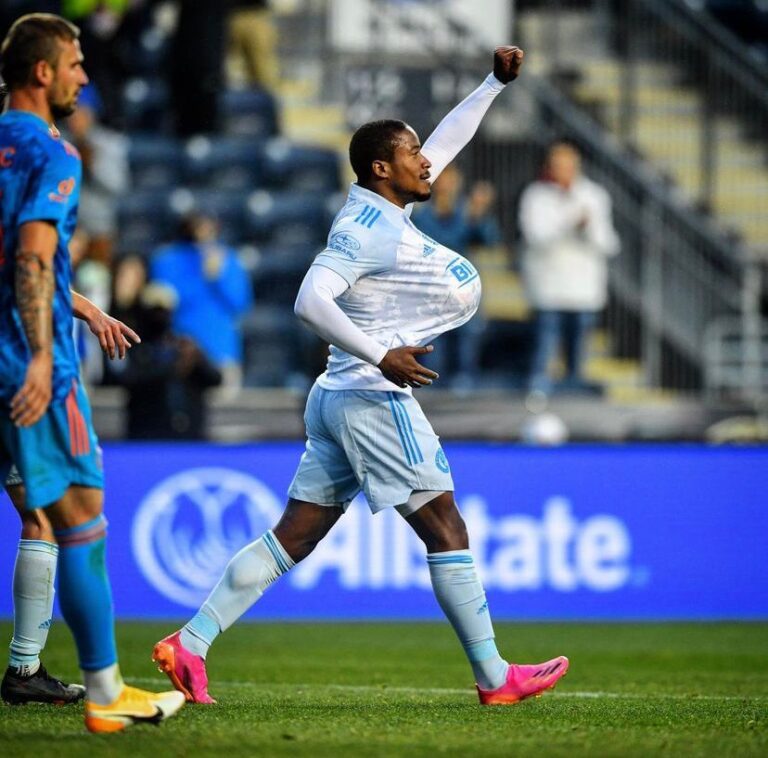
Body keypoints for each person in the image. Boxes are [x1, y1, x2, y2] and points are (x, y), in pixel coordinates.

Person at [153, 46, 569, 707]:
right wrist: (381, 356)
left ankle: (190, 644)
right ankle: (496, 679)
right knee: (446, 527)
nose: (425, 159)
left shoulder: (387, 209)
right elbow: (309, 299)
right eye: (410, 153)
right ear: (383, 169)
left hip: (338, 395)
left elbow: (443, 144)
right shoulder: (366, 228)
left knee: (297, 533)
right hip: (370, 394)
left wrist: (493, 84)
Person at [0, 13, 185, 731]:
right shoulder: (56, 153)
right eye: (76, 64)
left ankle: (26, 668)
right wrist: (44, 353)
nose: (85, 76)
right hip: (25, 362)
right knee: (80, 518)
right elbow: (30, 258)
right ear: (44, 72)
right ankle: (106, 694)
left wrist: (81, 305)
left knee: (41, 516)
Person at [1, 287, 142, 707]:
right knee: (63, 517)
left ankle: (27, 669)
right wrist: (92, 313)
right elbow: (29, 268)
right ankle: (93, 686)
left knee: (39, 513)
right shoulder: (25, 220)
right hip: (20, 371)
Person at [519, 140, 620, 395]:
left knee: (577, 360)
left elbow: (609, 243)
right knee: (543, 354)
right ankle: (537, 399)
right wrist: (569, 222)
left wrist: (588, 227)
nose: (562, 169)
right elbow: (535, 236)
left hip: (584, 291)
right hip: (548, 289)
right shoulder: (535, 196)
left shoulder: (595, 195)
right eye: (557, 164)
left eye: (567, 163)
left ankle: (574, 402)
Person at [413, 164, 501, 387]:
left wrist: (479, 214)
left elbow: (490, 239)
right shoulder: (422, 212)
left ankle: (465, 385)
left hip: (462, 287)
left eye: (451, 179)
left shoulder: (468, 210)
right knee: (434, 345)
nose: (446, 185)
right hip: (432, 287)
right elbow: (436, 241)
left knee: (466, 341)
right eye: (442, 179)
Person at [150, 212, 254, 391]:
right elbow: (167, 302)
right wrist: (202, 278)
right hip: (180, 353)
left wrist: (218, 277)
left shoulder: (228, 259)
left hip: (221, 353)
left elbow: (240, 303)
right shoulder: (166, 259)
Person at [119, 283, 222, 440]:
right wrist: (173, 368)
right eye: (155, 311)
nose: (160, 316)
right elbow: (128, 378)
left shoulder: (184, 344)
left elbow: (215, 379)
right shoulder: (132, 344)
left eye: (164, 311)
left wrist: (198, 359)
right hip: (145, 435)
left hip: (189, 434)